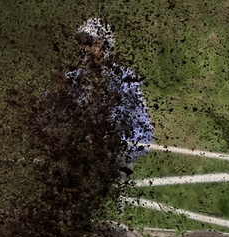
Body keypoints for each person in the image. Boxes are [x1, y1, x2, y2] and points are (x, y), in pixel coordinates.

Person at [41, 17, 154, 176]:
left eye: (93, 43)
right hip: (69, 168)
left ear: (106, 47)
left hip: (109, 170)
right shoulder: (70, 81)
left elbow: (144, 134)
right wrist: (55, 98)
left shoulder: (126, 82)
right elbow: (42, 123)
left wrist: (111, 147)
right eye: (84, 43)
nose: (87, 49)